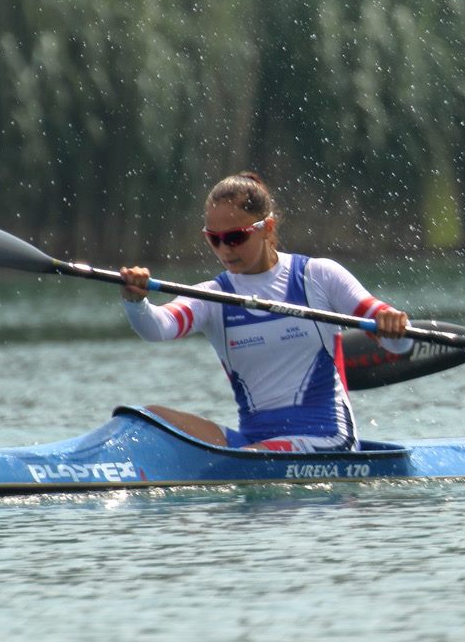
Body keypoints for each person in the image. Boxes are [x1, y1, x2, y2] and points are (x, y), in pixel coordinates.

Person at [119, 171, 409, 452]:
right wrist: (135, 301)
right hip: (253, 445)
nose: (224, 249)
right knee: (146, 419)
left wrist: (393, 325)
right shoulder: (213, 296)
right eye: (214, 239)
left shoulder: (318, 276)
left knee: (252, 454)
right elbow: (157, 328)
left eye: (235, 237)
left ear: (267, 228)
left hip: (329, 440)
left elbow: (400, 344)